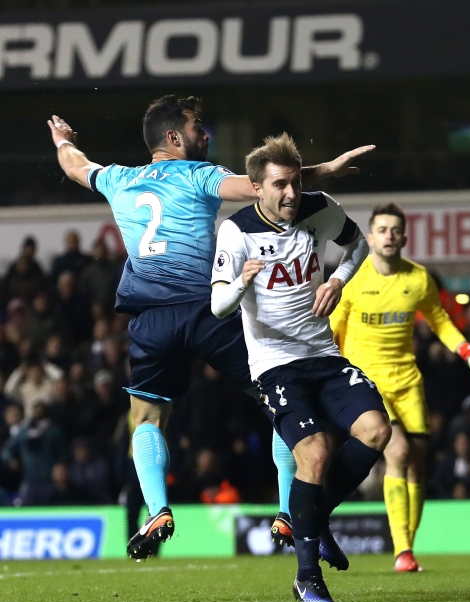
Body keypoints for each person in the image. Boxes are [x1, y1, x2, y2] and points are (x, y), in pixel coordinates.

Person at [47, 97, 371, 560]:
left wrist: (62, 140)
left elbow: (76, 166)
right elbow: (266, 187)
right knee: (280, 394)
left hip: (150, 321)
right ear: (174, 137)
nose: (207, 134)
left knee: (146, 417)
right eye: (198, 127)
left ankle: (157, 509)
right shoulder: (200, 176)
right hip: (209, 310)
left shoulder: (119, 178)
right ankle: (286, 512)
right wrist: (327, 170)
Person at [211, 133, 390, 602]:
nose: (291, 194)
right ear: (256, 188)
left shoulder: (319, 207)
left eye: (294, 183)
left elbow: (358, 247)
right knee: (313, 451)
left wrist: (337, 279)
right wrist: (241, 283)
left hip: (324, 356)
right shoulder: (236, 231)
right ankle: (307, 576)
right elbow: (217, 306)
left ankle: (314, 515)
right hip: (274, 365)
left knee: (376, 430)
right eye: (280, 186)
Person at [329, 201, 470, 573]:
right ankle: (402, 550)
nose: (388, 236)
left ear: (403, 237)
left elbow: (440, 321)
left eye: (394, 230)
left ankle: (408, 546)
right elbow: (331, 333)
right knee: (398, 453)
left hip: (407, 383)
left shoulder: (418, 278)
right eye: (381, 230)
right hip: (366, 384)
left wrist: (468, 352)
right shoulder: (351, 279)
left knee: (417, 464)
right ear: (370, 237)